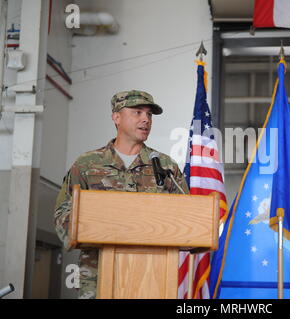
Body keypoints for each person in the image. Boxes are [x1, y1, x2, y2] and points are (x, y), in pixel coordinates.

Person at [54, 90, 189, 299]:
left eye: (149, 115)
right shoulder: (88, 164)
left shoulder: (165, 166)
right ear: (116, 117)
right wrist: (93, 230)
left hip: (153, 275)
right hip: (98, 273)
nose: (146, 119)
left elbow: (186, 215)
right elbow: (63, 212)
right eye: (137, 112)